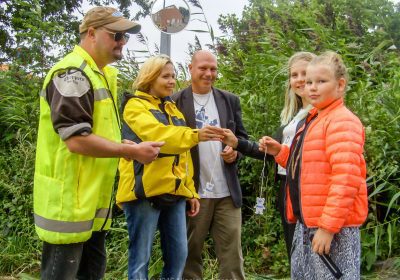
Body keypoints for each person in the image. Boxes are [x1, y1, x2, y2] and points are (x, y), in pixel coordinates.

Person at [33, 6, 163, 280]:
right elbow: (77, 141)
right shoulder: (72, 73)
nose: (122, 42)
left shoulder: (100, 74)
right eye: (116, 35)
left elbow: (99, 135)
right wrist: (131, 150)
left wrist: (126, 147)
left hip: (91, 208)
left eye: (125, 37)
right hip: (67, 208)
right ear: (91, 33)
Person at [259, 51, 368, 279]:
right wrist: (280, 152)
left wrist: (328, 228)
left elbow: (346, 178)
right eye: (309, 82)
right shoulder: (314, 119)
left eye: (321, 81)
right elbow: (308, 167)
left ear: (340, 85)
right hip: (308, 223)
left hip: (333, 229)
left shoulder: (342, 121)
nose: (312, 88)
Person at [116, 55, 225, 280]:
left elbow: (182, 155)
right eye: (165, 76)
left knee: (178, 256)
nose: (172, 81)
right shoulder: (135, 106)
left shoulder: (172, 108)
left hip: (174, 192)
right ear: (150, 77)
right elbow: (159, 136)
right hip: (143, 192)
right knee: (140, 259)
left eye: (173, 76)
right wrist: (196, 135)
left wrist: (191, 191)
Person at [222, 52, 316, 261]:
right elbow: (274, 154)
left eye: (304, 73)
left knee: (311, 253)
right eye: (294, 75)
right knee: (294, 249)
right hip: (286, 187)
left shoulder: (320, 113)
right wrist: (238, 143)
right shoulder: (292, 117)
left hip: (308, 189)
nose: (299, 79)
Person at [173, 50, 248, 280]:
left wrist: (234, 153)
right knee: (189, 254)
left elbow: (242, 141)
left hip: (226, 192)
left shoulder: (229, 100)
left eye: (213, 69)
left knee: (232, 255)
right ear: (191, 68)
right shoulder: (174, 102)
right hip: (193, 192)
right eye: (203, 68)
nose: (209, 73)